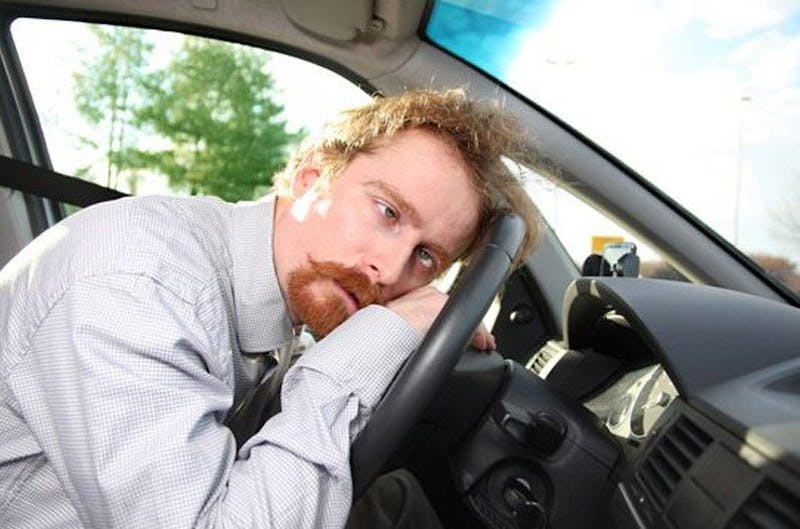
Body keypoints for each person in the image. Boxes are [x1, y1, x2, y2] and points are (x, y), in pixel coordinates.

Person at [0, 89, 540, 528]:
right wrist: (380, 337)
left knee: (396, 499)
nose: (392, 270)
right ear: (313, 178)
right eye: (387, 211)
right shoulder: (141, 287)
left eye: (426, 256)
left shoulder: (281, 293)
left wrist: (407, 342)